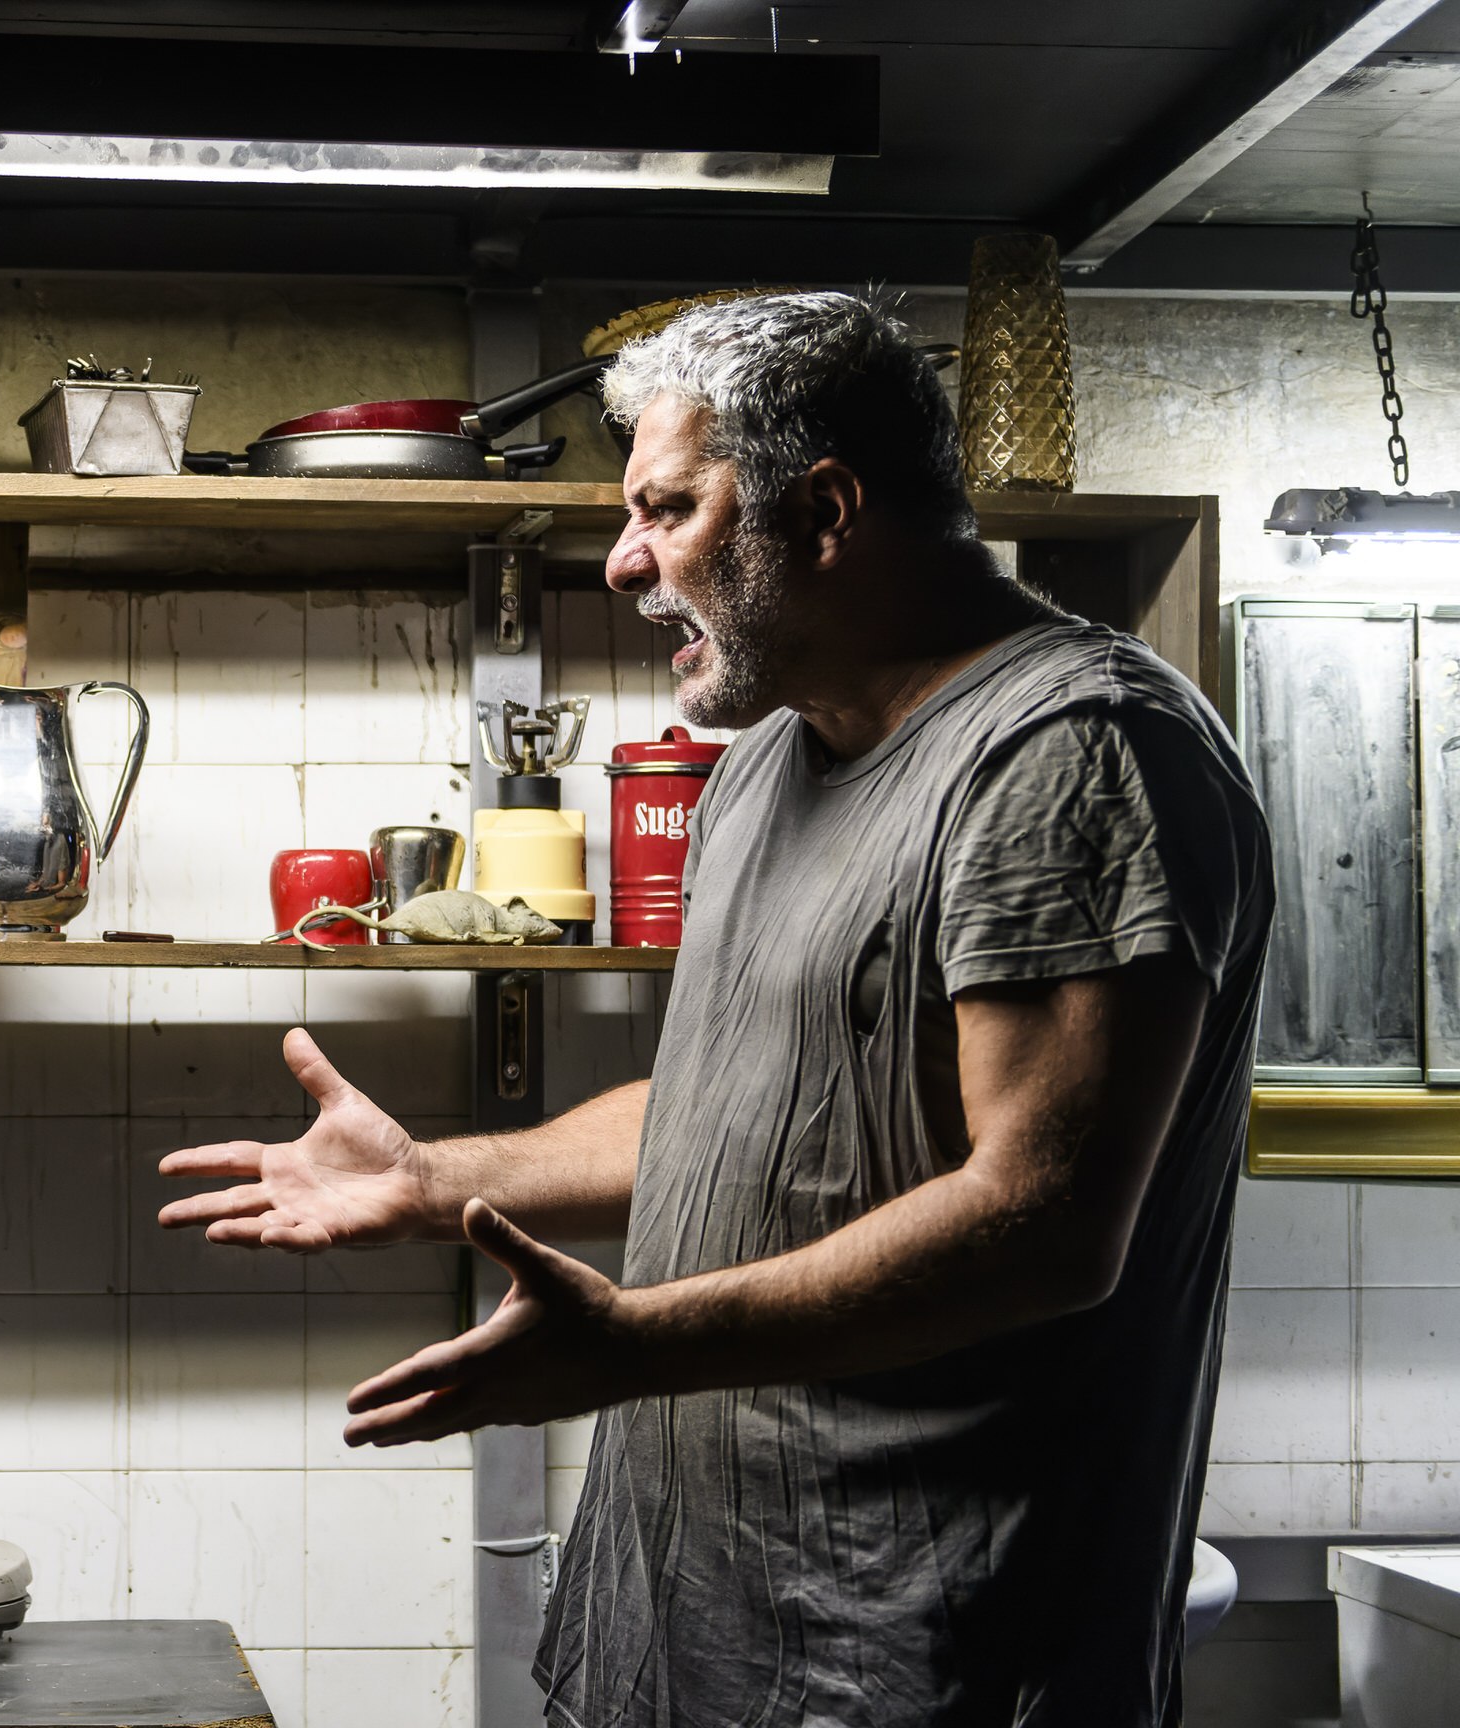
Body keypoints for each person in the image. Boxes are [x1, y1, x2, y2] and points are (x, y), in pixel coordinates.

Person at [159, 293, 1273, 1727]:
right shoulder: (759, 770)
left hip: (916, 1657)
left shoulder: (1071, 753)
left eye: (669, 510)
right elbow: (740, 1107)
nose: (625, 562)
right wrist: (437, 1179)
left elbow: (1042, 1224)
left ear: (825, 510)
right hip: (677, 1630)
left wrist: (638, 1343)